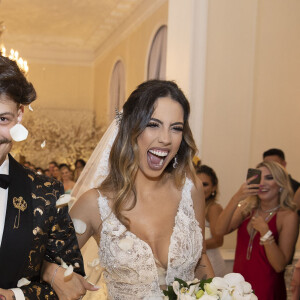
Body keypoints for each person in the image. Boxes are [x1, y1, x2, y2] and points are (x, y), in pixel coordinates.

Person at [43, 80, 214, 299]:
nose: (165, 139)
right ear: (130, 129)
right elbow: (41, 261)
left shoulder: (191, 190)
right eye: (153, 124)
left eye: (176, 128)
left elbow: (201, 261)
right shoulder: (95, 203)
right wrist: (51, 272)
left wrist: (220, 293)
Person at [0, 54, 97, 300]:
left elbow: (73, 285)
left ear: (19, 116)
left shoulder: (46, 192)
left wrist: (15, 296)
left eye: (2, 119)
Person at [216, 161, 298, 300]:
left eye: (269, 178)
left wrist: (265, 233)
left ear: (280, 184)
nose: (262, 183)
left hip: (267, 289)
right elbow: (219, 230)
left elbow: (279, 266)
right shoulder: (247, 209)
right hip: (240, 289)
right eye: (259, 178)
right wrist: (237, 197)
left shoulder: (288, 216)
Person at [194, 163, 226, 276]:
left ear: (214, 187)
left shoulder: (213, 208)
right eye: (197, 183)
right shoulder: (190, 206)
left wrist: (191, 246)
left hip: (210, 261)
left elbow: (218, 241)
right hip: (193, 262)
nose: (201, 188)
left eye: (205, 184)